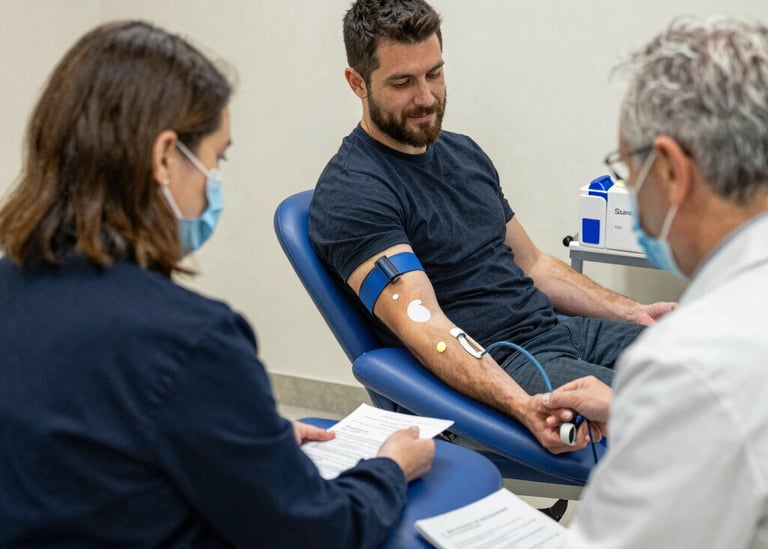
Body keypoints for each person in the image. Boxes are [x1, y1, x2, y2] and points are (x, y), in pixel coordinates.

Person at [0, 21, 434, 548]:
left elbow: (80, 446)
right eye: (215, 158)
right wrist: (390, 468)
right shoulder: (191, 341)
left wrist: (243, 438)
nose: (212, 183)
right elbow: (317, 531)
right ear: (165, 158)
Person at [308, 0, 675, 453]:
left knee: (707, 364)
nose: (426, 97)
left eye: (434, 74)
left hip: (556, 331)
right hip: (502, 360)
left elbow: (533, 265)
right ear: (357, 83)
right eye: (402, 82)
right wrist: (521, 404)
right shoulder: (353, 192)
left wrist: (634, 312)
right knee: (673, 413)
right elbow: (424, 324)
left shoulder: (464, 154)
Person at [538, 17, 768, 548]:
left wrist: (657, 412)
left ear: (669, 171)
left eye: (628, 171)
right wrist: (639, 414)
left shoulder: (686, 361)